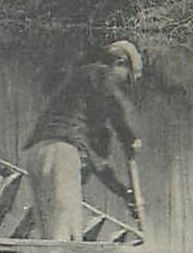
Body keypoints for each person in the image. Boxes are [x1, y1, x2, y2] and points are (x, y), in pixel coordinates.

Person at [22, 40, 144, 241]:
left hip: (37, 154)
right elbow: (114, 109)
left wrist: (123, 192)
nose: (123, 86)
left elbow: (100, 165)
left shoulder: (83, 87)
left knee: (50, 236)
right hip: (61, 154)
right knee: (66, 234)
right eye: (126, 79)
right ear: (119, 63)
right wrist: (128, 137)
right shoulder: (101, 74)